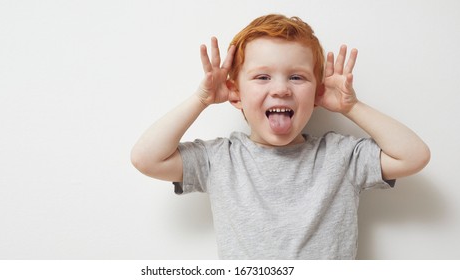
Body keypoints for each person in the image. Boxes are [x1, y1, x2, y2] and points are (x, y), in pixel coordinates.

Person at [131, 14, 430, 259]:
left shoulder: (340, 156)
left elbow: (414, 156)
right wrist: (201, 98)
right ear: (235, 93)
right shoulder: (220, 159)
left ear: (317, 93)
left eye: (297, 77)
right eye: (262, 77)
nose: (281, 89)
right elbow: (146, 158)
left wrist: (352, 107)